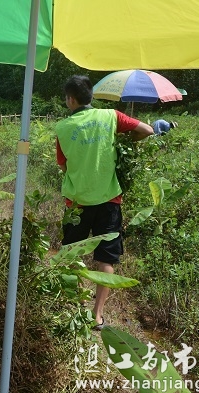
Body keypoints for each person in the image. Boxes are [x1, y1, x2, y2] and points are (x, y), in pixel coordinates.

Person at [55, 75, 154, 330]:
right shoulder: (111, 116)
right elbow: (147, 130)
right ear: (91, 96)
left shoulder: (63, 128)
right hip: (109, 200)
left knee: (71, 253)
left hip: (76, 203)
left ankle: (76, 303)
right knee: (106, 259)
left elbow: (63, 165)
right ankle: (97, 315)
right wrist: (124, 141)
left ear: (71, 100)